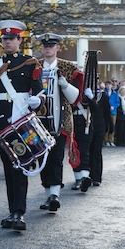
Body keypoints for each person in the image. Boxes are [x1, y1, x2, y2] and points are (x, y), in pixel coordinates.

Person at [0, 20, 45, 231]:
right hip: (0, 119)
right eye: (4, 39)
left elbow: (39, 92)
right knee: (9, 167)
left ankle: (19, 212)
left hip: (21, 118)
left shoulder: (30, 63)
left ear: (19, 40)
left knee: (20, 165)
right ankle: (13, 210)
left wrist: (38, 101)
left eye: (11, 39)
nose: (7, 42)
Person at [36, 33, 82, 210]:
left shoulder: (67, 67)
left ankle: (54, 194)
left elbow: (74, 97)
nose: (48, 48)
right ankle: (49, 193)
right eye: (45, 46)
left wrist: (64, 84)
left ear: (57, 48)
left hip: (60, 120)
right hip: (38, 121)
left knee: (56, 157)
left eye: (51, 46)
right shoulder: (35, 66)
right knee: (42, 158)